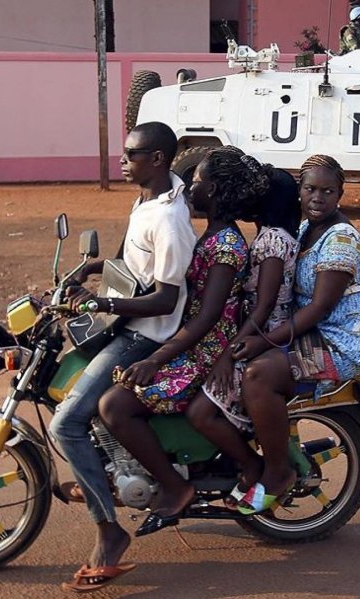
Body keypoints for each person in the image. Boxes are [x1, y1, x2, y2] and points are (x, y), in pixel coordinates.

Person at [195, 154, 360, 516]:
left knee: (259, 375)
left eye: (328, 191)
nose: (318, 198)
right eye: (311, 189)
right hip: (312, 331)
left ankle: (277, 471)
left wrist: (264, 340)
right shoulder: (303, 229)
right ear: (300, 190)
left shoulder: (341, 237)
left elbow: (320, 309)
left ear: (342, 194)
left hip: (341, 338)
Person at [50, 121, 198, 592]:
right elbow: (132, 259)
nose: (123, 160)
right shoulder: (148, 199)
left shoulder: (171, 220)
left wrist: (102, 303)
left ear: (156, 160)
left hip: (145, 335)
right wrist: (91, 271)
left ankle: (110, 531)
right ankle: (101, 472)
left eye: (131, 154)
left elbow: (164, 300)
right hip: (125, 323)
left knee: (65, 423)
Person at [98, 147, 267, 537]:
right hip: (190, 339)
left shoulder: (226, 246)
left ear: (218, 192)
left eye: (198, 182)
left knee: (115, 405)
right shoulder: (208, 234)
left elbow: (208, 318)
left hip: (206, 348)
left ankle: (181, 485)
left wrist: (157, 359)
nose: (190, 187)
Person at [187, 165, 301, 497]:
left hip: (260, 338)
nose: (247, 194)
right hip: (254, 333)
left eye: (257, 191)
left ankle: (257, 467)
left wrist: (227, 354)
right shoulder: (267, 236)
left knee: (200, 413)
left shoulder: (272, 240)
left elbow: (264, 305)